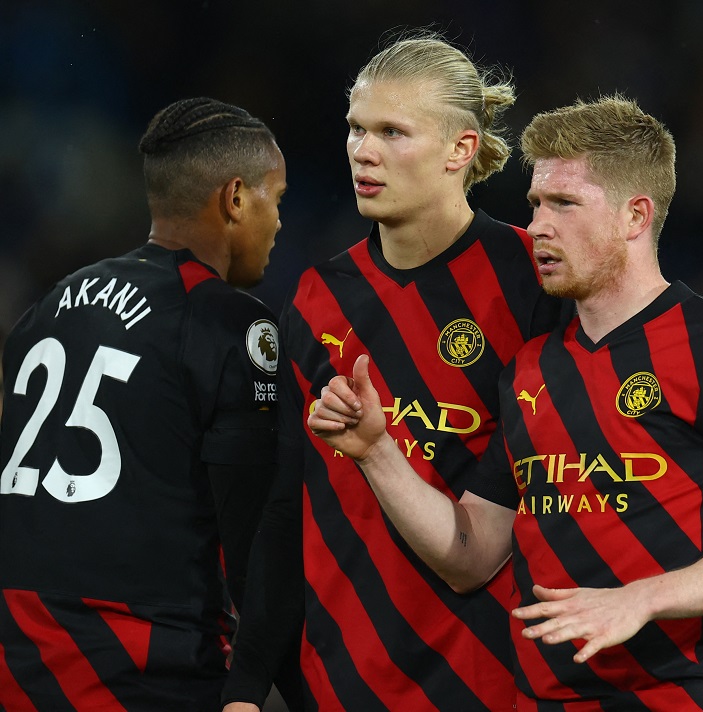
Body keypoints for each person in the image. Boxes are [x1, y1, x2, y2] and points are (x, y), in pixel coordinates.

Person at [309, 95, 703, 709]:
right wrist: (376, 452)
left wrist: (641, 598)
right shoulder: (528, 367)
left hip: (682, 695)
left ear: (635, 215)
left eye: (564, 204)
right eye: (536, 204)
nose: (539, 226)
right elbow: (471, 556)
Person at [221, 34, 565, 711]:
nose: (363, 151)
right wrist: (246, 685)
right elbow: (288, 507)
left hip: (490, 683)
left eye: (392, 132)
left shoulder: (534, 283)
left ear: (460, 149)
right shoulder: (317, 297)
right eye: (356, 128)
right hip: (336, 684)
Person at [0, 97, 286, 710]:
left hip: (19, 659)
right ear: (236, 199)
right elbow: (254, 540)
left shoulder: (43, 310)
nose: (281, 223)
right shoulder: (227, 323)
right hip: (143, 667)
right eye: (277, 199)